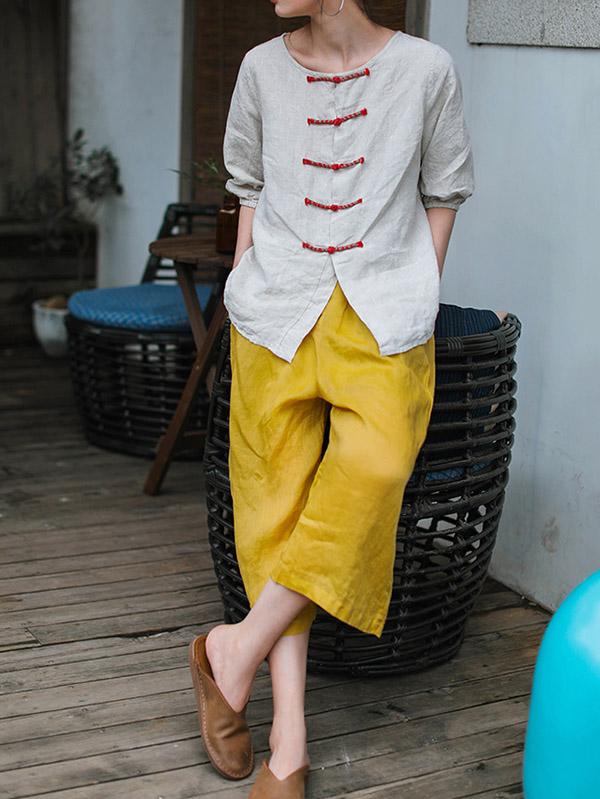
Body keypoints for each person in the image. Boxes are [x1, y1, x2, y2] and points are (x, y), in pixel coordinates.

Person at [189, 1, 481, 796]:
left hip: (380, 313)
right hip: (275, 311)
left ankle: (234, 648)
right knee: (273, 513)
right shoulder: (260, 68)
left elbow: (446, 189)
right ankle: (289, 740)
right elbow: (247, 184)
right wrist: (245, 285)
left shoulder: (425, 71)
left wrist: (419, 287)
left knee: (377, 466)